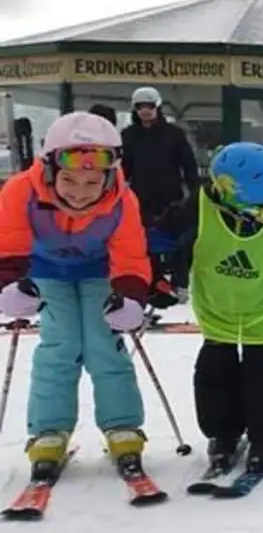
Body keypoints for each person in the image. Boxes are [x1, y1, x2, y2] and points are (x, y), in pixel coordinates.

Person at [147, 142, 263, 476]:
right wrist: (154, 275)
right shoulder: (197, 207)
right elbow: (158, 237)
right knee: (216, 369)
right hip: (216, 303)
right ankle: (222, 433)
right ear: (232, 197)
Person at [0, 113, 153, 483]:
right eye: (69, 180)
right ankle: (49, 429)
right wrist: (7, 287)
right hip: (46, 271)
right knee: (60, 344)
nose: (80, 192)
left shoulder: (122, 200)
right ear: (51, 170)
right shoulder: (21, 191)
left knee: (104, 342)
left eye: (91, 181)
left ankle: (122, 426)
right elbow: (7, 243)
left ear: (109, 175)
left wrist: (131, 297)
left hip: (99, 271)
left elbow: (131, 254)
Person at [119, 86, 199, 302]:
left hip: (171, 198)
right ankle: (155, 282)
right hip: (141, 198)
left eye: (149, 107)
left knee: (180, 241)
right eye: (140, 107)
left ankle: (180, 281)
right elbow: (124, 168)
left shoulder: (173, 134)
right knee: (145, 242)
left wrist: (195, 193)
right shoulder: (129, 136)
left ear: (158, 107)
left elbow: (189, 165)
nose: (145, 111)